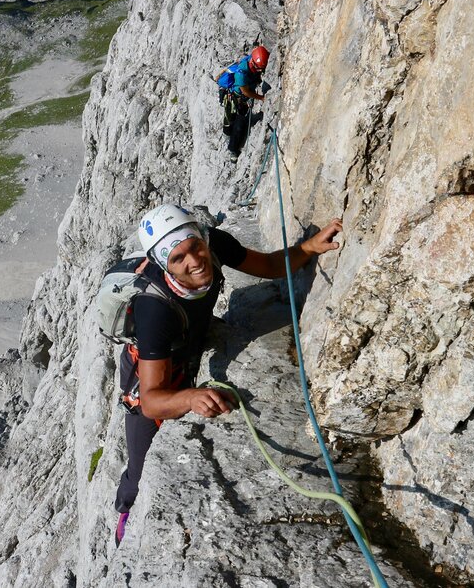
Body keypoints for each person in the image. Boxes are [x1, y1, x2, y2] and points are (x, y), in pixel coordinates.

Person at [114, 204, 342, 544]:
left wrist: (307, 249)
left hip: (188, 342)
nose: (194, 260)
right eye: (178, 259)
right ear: (165, 266)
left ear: (203, 238)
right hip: (151, 368)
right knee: (141, 457)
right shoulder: (154, 310)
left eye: (195, 247)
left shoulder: (214, 244)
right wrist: (189, 397)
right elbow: (152, 401)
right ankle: (126, 513)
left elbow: (265, 265)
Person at [216, 45, 271, 157]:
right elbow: (245, 92)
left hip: (241, 97)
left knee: (234, 120)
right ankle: (233, 149)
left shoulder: (253, 58)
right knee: (234, 122)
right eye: (258, 69)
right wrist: (261, 98)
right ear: (253, 63)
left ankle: (230, 137)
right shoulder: (241, 73)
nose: (260, 71)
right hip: (235, 98)